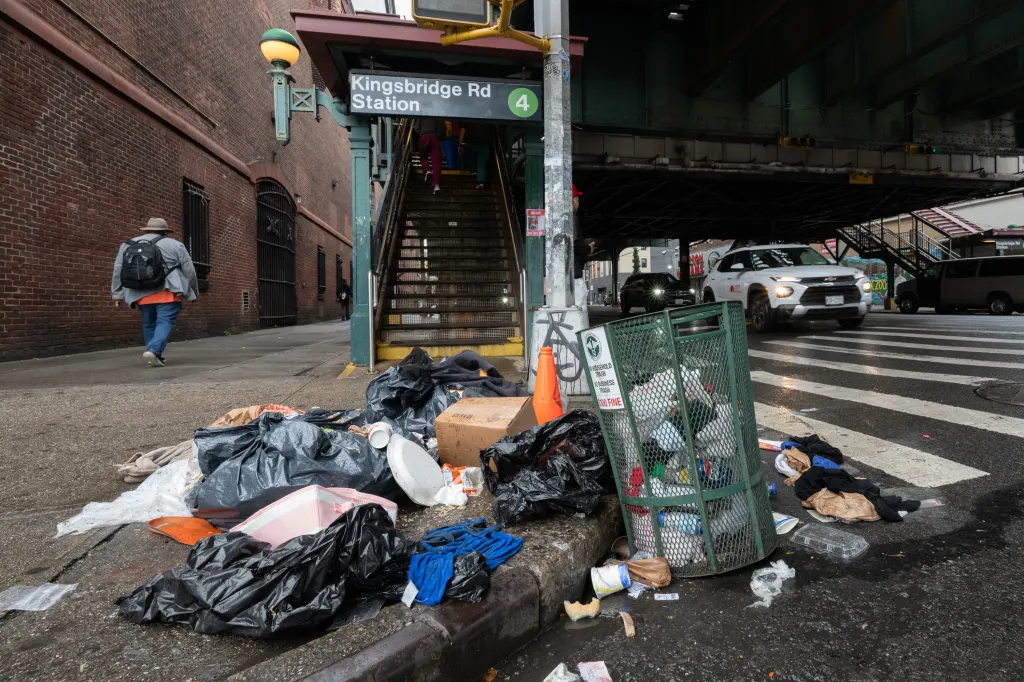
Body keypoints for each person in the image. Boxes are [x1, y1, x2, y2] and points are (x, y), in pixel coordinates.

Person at [111, 217, 198, 367]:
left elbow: (118, 270)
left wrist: (117, 294)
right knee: (164, 321)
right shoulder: (175, 245)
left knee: (149, 323)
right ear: (165, 231)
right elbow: (189, 271)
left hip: (140, 292)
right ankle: (154, 350)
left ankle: (154, 352)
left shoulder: (127, 245)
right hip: (168, 291)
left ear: (147, 229)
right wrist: (193, 291)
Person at [572, 185, 595, 314]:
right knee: (579, 313)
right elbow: (574, 243)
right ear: (574, 200)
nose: (578, 203)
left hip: (559, 278)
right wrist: (588, 249)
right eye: (578, 200)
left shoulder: (555, 220)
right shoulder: (572, 218)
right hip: (574, 276)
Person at [415, 119, 445, 194]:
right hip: (435, 138)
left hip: (424, 137)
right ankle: (436, 186)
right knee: (436, 163)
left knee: (423, 156)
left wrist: (421, 134)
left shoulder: (422, 115)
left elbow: (416, 128)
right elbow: (442, 127)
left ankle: (428, 170)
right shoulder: (438, 115)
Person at [461, 122, 491, 189]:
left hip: (471, 143)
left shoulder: (470, 118)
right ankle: (480, 182)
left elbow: (463, 130)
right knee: (481, 164)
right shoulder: (487, 120)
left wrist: (459, 143)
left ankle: (472, 170)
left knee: (469, 154)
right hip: (484, 144)